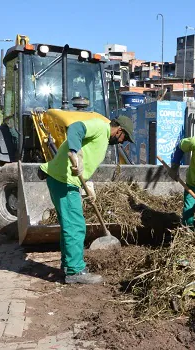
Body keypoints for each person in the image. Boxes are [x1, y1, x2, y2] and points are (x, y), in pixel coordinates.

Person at [38, 116, 135, 284]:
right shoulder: (100, 127)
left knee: (69, 225)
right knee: (76, 226)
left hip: (67, 181)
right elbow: (75, 127)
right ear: (119, 130)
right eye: (124, 139)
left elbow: (87, 161)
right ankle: (76, 271)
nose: (121, 142)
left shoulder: (103, 138)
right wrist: (74, 153)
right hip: (64, 181)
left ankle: (69, 265)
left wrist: (87, 186)